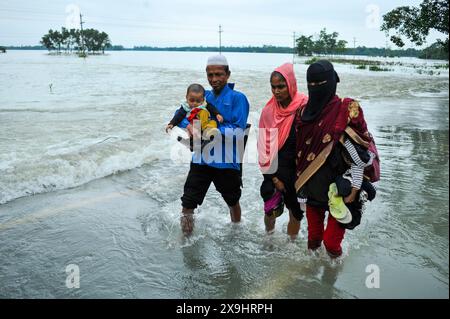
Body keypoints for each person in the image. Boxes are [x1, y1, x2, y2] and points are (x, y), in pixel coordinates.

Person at [295, 60, 376, 258]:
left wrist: (355, 188)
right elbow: (299, 154)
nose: (315, 89)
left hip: (340, 190)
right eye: (311, 84)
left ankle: (332, 279)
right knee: (313, 240)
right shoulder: (302, 113)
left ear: (333, 81)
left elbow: (360, 154)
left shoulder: (348, 110)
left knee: (331, 243)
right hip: (312, 187)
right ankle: (313, 283)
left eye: (320, 84)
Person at [178, 54, 250, 236]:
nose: (214, 79)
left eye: (219, 74)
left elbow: (239, 131)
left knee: (232, 201)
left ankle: (236, 233)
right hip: (201, 159)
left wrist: (212, 132)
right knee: (187, 203)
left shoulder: (238, 98)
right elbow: (183, 116)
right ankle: (186, 243)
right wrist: (191, 127)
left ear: (228, 74)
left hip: (226, 161)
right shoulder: (203, 96)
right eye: (210, 75)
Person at [258, 63, 308, 239]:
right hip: (275, 168)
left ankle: (291, 246)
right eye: (273, 87)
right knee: (270, 208)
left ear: (291, 84)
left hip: (297, 171)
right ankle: (268, 237)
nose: (276, 91)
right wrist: (274, 178)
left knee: (295, 212)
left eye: (281, 86)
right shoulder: (268, 112)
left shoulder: (304, 107)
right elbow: (263, 149)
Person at [165, 83, 224, 150]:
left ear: (203, 99)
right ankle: (191, 143)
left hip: (206, 124)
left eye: (198, 101)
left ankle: (206, 139)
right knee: (192, 127)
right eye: (192, 100)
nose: (195, 103)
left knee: (213, 122)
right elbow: (179, 115)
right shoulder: (186, 107)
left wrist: (217, 114)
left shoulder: (205, 104)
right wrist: (172, 123)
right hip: (195, 126)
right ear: (186, 97)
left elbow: (212, 108)